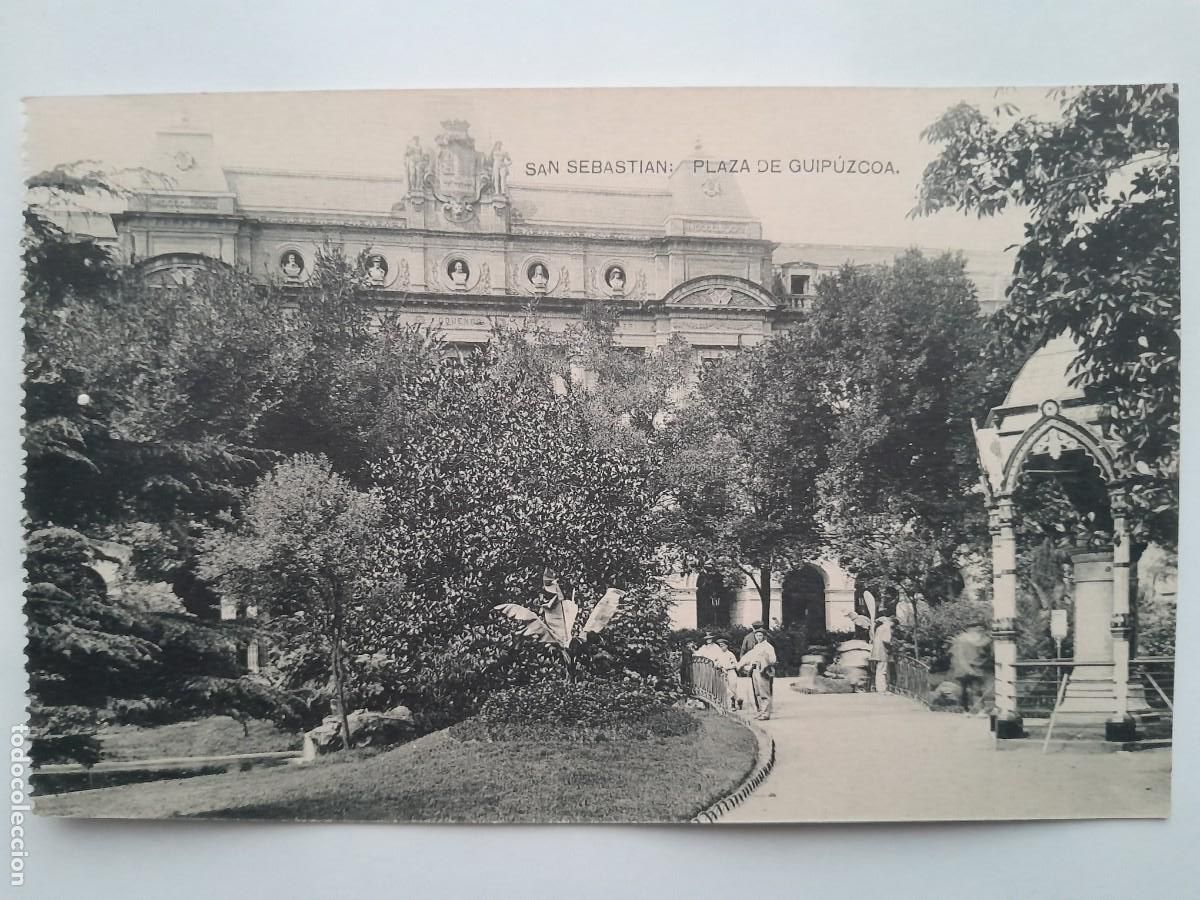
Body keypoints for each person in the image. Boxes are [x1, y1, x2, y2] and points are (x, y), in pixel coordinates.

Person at [949, 621, 992, 714]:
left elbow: (983, 650)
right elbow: (959, 655)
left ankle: (977, 709)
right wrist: (967, 668)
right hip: (963, 667)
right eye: (977, 627)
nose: (980, 630)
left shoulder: (979, 639)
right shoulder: (963, 639)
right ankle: (966, 709)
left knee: (977, 688)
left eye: (981, 628)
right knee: (966, 689)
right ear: (970, 629)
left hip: (975, 666)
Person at [738, 625, 777, 720]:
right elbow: (749, 656)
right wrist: (741, 664)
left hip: (763, 670)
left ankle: (766, 713)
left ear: (764, 636)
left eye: (760, 635)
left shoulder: (768, 647)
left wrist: (763, 660)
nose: (758, 637)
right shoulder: (756, 646)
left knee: (764, 692)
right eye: (757, 635)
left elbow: (773, 659)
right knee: (757, 692)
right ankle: (760, 711)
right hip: (755, 670)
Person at [712, 637, 741, 711]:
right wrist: (718, 666)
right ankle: (727, 703)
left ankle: (735, 702)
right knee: (725, 688)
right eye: (720, 646)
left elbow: (735, 664)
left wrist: (727, 667)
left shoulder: (730, 654)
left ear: (727, 646)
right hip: (722, 672)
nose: (721, 647)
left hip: (730, 672)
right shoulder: (718, 654)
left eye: (723, 645)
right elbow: (715, 663)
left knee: (732, 688)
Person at [870, 615, 893, 693]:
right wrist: (891, 646)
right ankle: (882, 688)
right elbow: (886, 640)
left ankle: (879, 687)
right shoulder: (887, 627)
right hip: (883, 651)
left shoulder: (879, 628)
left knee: (879, 669)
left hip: (877, 650)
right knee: (883, 670)